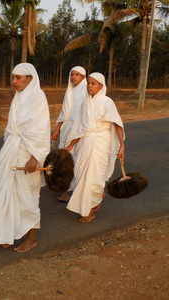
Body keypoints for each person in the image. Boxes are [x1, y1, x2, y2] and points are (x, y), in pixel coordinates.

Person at [0, 63, 50, 253]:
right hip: (11, 150)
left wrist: (35, 157)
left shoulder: (38, 97)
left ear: (29, 78)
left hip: (29, 154)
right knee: (2, 190)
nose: (14, 82)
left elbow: (41, 129)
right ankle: (6, 233)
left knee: (27, 196)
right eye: (13, 78)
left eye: (18, 78)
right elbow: (11, 127)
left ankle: (32, 238)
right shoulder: (19, 97)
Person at [65, 72, 125, 223]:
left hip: (100, 143)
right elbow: (81, 127)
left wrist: (122, 145)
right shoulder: (85, 103)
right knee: (80, 174)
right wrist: (71, 145)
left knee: (94, 176)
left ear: (101, 86)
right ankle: (95, 199)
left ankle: (89, 211)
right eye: (89, 83)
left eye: (93, 83)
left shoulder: (107, 102)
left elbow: (117, 124)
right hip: (85, 142)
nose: (90, 86)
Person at [51, 66, 87, 202]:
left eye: (77, 75)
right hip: (67, 129)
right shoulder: (70, 91)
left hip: (79, 132)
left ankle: (74, 191)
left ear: (83, 77)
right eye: (72, 74)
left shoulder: (86, 92)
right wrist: (57, 129)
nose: (73, 77)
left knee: (76, 162)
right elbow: (64, 112)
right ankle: (66, 190)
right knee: (65, 161)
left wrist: (75, 138)